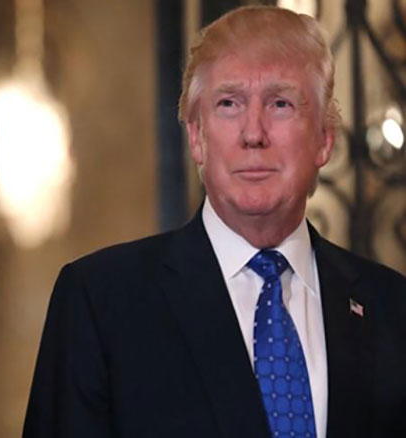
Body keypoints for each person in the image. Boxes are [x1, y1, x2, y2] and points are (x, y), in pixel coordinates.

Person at [24, 6, 406, 438]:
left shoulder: (392, 309)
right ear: (196, 137)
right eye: (229, 104)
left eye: (281, 104)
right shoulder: (100, 304)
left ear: (325, 139)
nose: (253, 133)